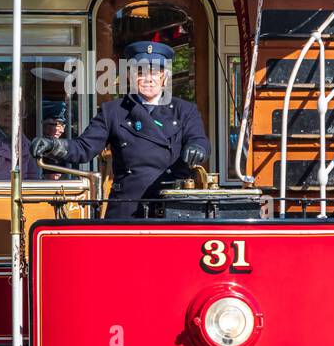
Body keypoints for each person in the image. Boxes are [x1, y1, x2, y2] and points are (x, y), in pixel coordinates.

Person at [31, 41, 210, 219]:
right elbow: (84, 148)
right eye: (141, 71)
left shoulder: (185, 110)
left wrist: (198, 149)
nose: (149, 78)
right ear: (131, 75)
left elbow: (199, 140)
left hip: (173, 209)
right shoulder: (113, 112)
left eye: (155, 72)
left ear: (165, 77)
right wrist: (53, 145)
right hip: (128, 209)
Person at [0, 84, 38, 181]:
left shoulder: (26, 146)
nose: (11, 112)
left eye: (16, 107)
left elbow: (33, 179)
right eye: (5, 107)